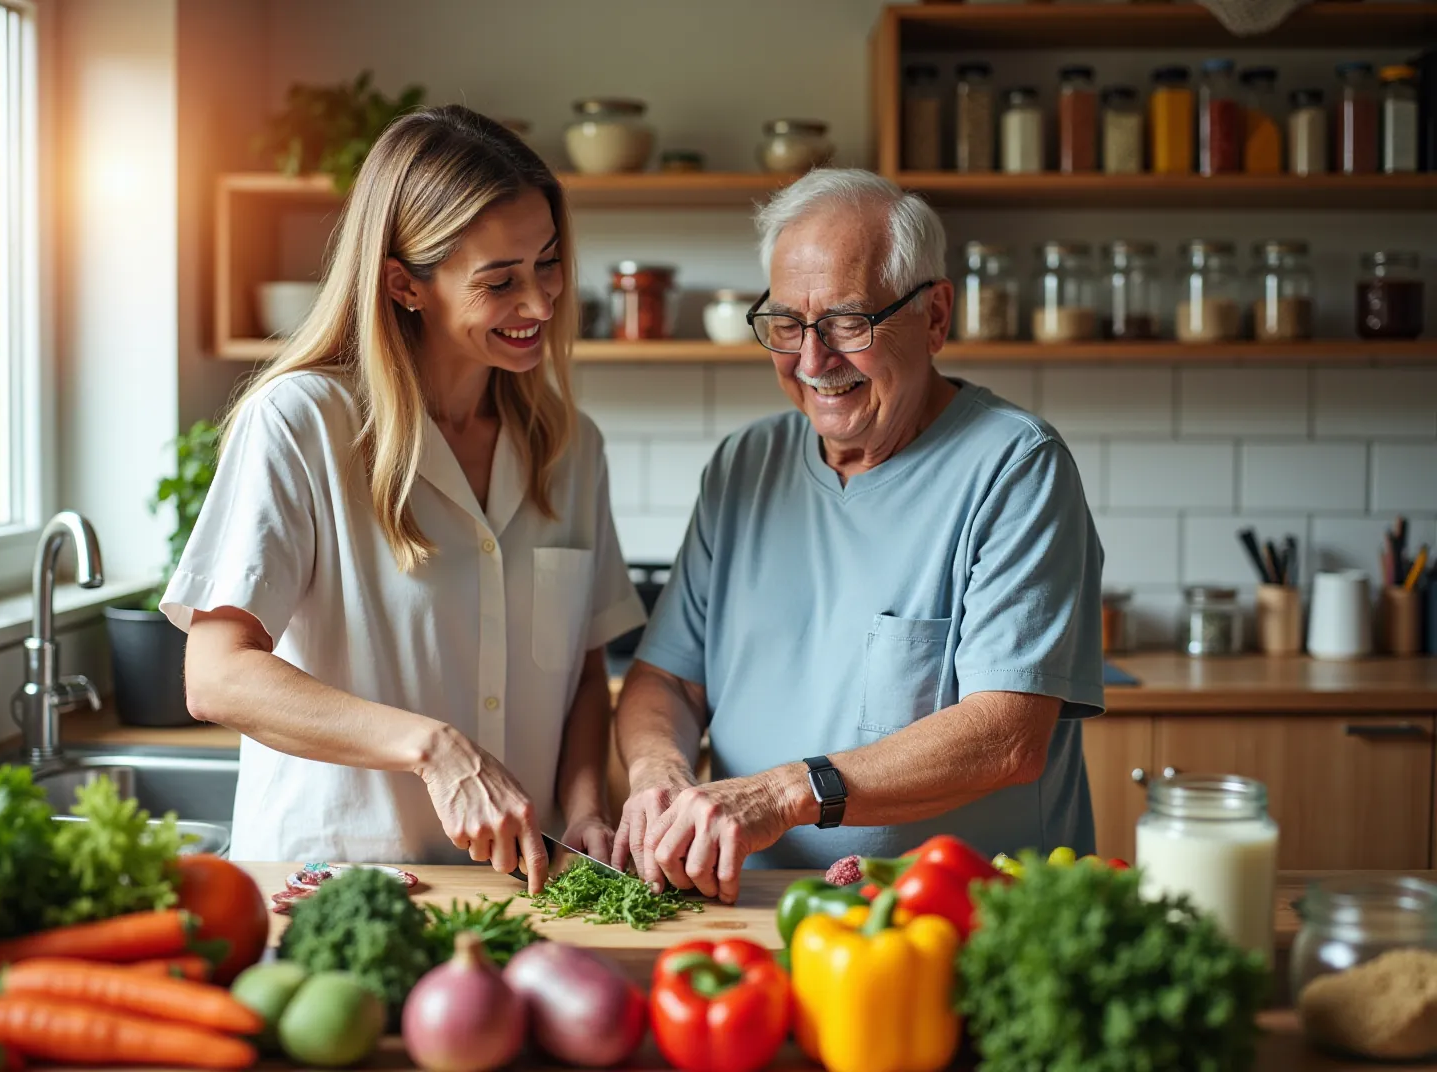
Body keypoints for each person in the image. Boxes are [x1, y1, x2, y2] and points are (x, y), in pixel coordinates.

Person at [162, 106, 644, 890]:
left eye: (548, 264)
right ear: (404, 285)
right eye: (500, 281)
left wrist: (588, 805)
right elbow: (216, 676)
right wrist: (433, 748)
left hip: (525, 888)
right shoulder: (302, 424)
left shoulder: (570, 446)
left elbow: (584, 671)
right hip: (333, 886)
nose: (541, 305)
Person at [611, 169, 1104, 904]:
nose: (813, 362)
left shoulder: (1016, 466)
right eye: (786, 324)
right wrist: (659, 775)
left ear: (936, 315)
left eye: (847, 322)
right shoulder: (745, 465)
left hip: (962, 920)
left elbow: (1007, 736)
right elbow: (667, 681)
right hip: (750, 904)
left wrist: (783, 795)